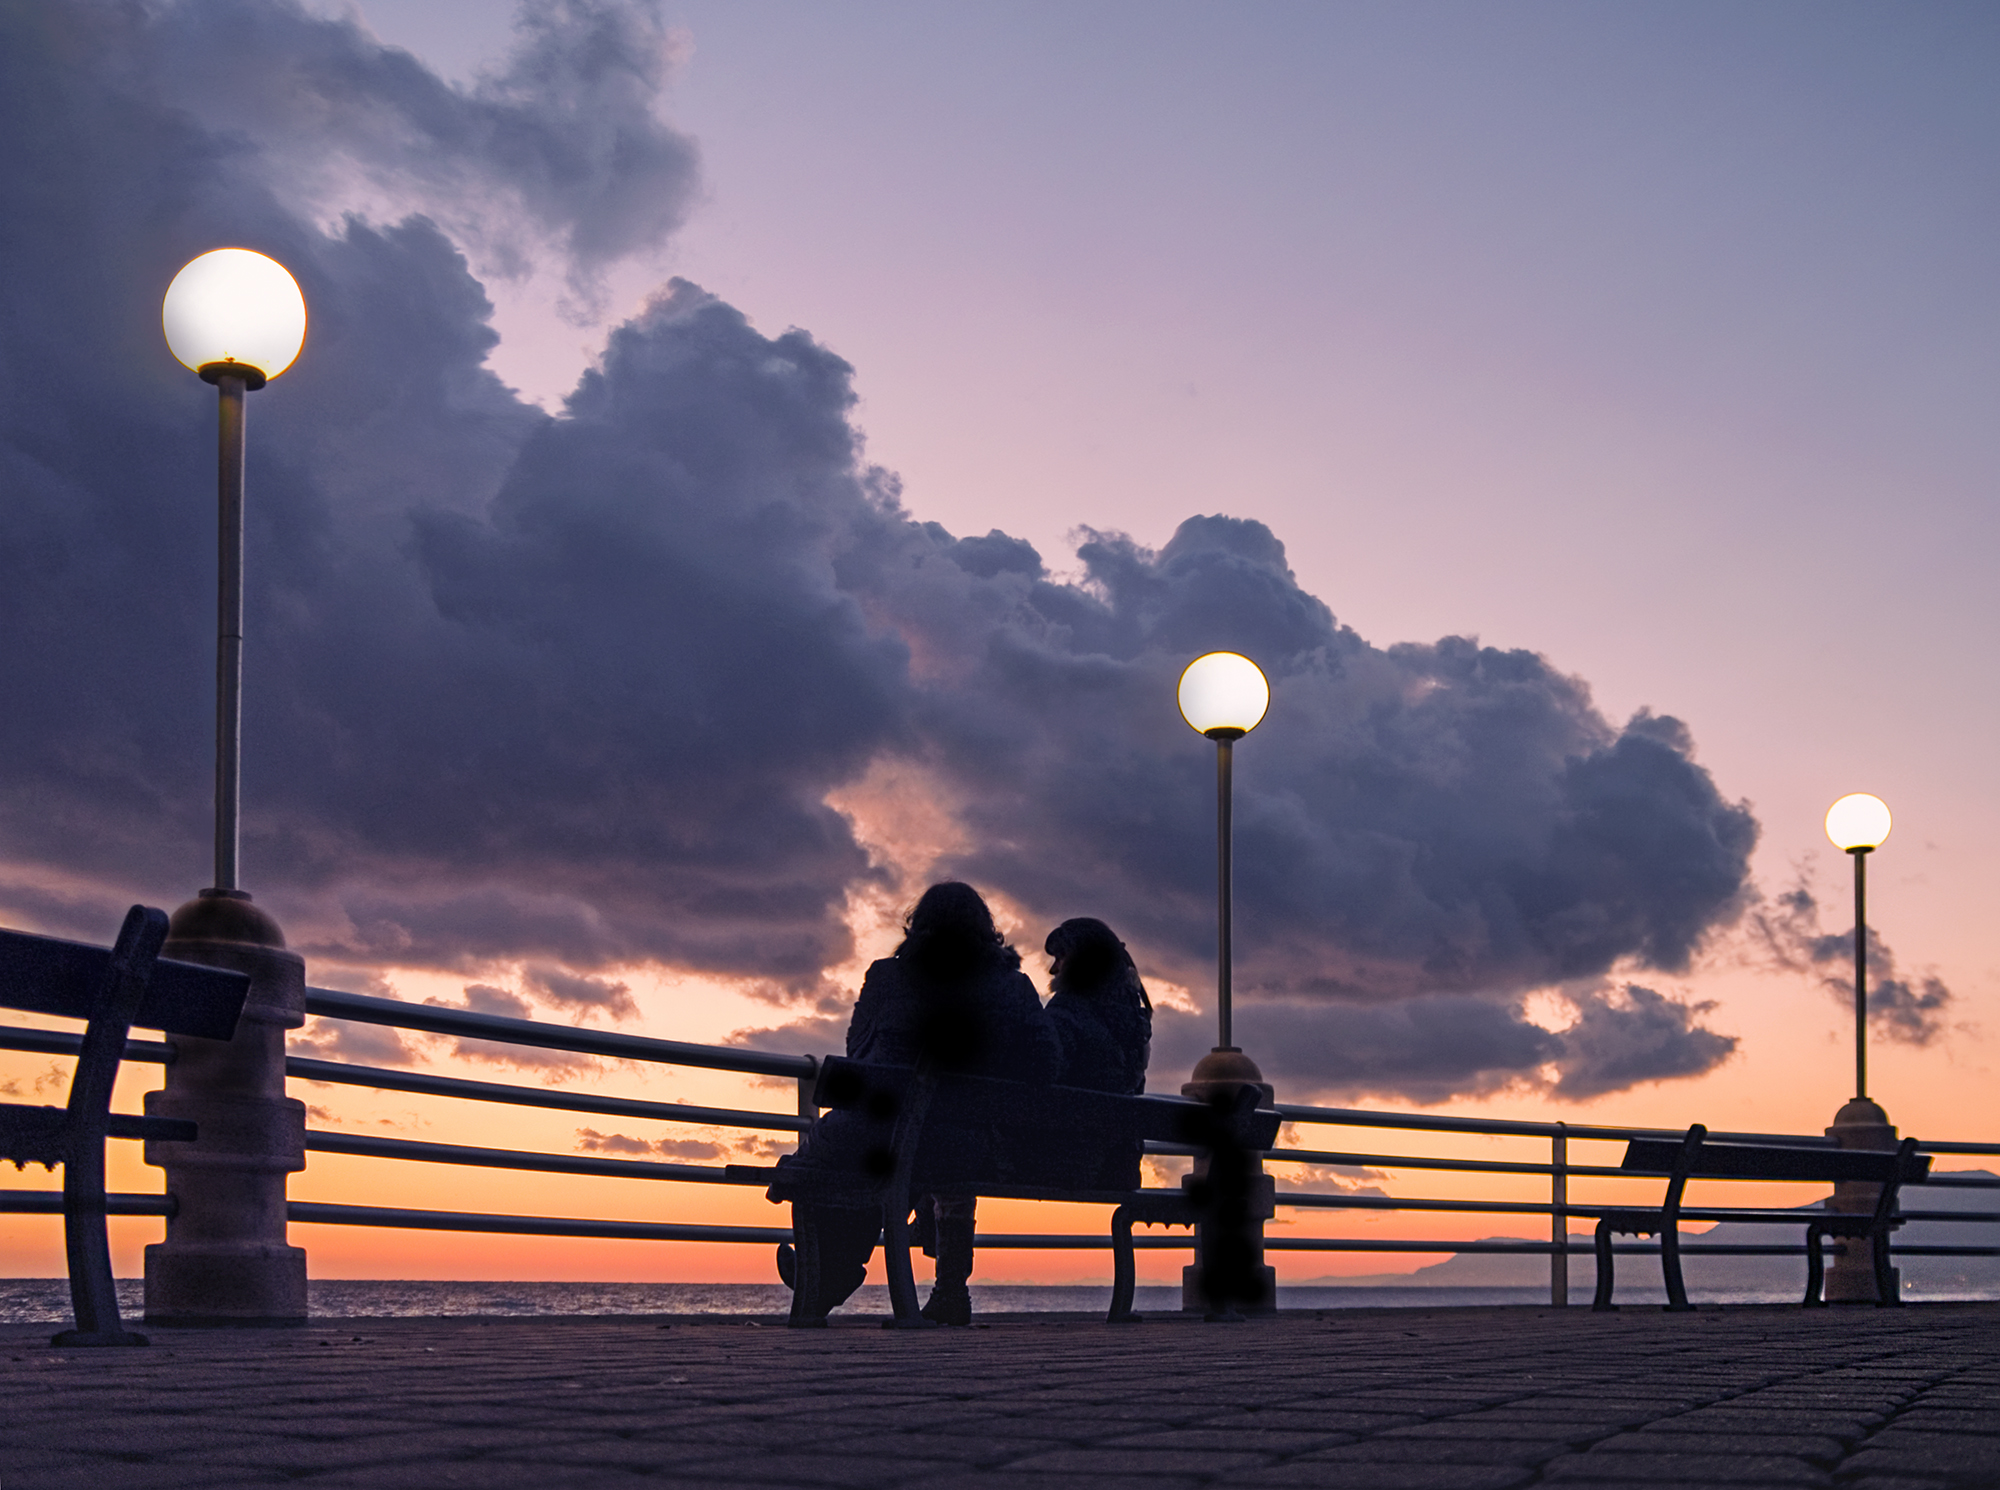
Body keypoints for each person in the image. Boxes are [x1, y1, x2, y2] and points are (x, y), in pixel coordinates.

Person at [767, 881, 1058, 1326]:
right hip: (976, 1146)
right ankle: (933, 1290)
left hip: (894, 1135)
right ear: (987, 932)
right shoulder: (1014, 988)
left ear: (917, 926)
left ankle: (829, 1275)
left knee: (868, 1151)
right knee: (908, 1154)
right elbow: (1046, 1064)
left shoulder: (887, 977)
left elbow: (858, 1054)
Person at [1039, 917, 1153, 1188]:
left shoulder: (1065, 1014)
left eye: (1060, 958)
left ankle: (940, 1225)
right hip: (1119, 1169)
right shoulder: (1135, 1022)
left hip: (1059, 1165)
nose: (1053, 969)